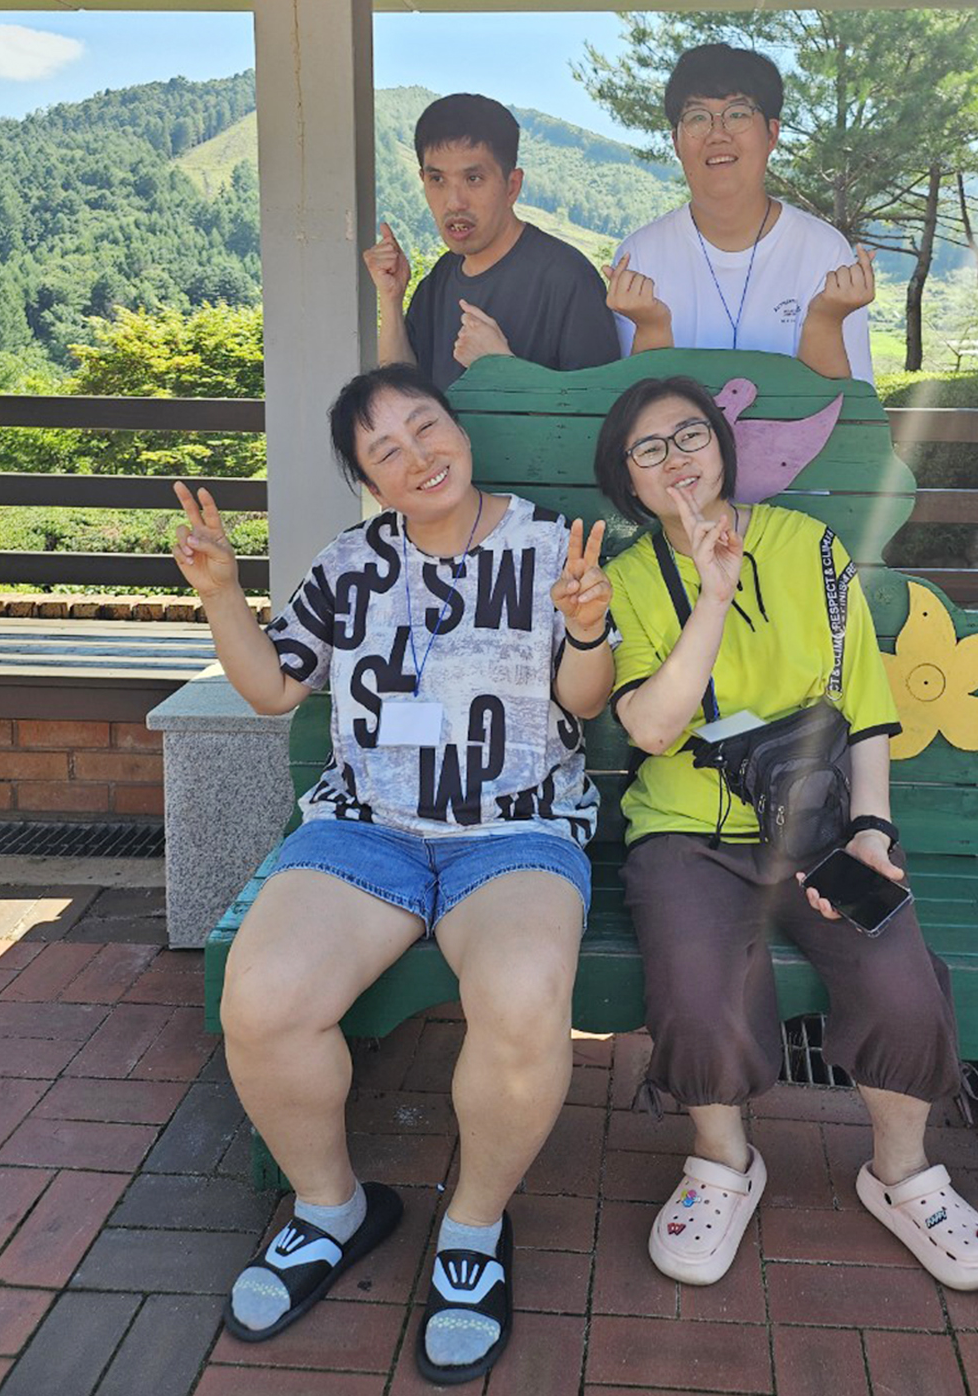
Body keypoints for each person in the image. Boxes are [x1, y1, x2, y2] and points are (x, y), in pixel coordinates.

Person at [171, 363, 615, 1384]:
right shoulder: (349, 562)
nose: (418, 456)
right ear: (369, 481)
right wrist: (222, 594)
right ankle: (331, 1209)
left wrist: (587, 625)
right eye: (386, 451)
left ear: (458, 427)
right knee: (262, 999)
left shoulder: (552, 546)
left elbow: (585, 700)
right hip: (367, 832)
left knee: (523, 994)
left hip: (516, 832)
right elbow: (272, 688)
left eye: (425, 427)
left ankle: (474, 1228)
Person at [591, 375, 978, 1292]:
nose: (676, 458)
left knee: (896, 975)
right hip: (688, 829)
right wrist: (712, 593)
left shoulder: (808, 546)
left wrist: (872, 829)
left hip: (820, 823)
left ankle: (902, 1175)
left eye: (690, 435)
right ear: (627, 479)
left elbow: (864, 702)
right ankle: (722, 1163)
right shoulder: (623, 582)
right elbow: (652, 728)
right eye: (649, 448)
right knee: (696, 986)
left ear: (723, 443)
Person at [604, 44, 876, 380]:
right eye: (697, 118)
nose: (717, 134)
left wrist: (826, 319)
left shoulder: (824, 252)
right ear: (676, 142)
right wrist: (650, 326)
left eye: (737, 115)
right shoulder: (640, 257)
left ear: (771, 134)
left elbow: (849, 402)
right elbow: (635, 405)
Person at [365, 93, 620, 389]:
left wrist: (501, 368)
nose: (454, 202)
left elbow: (598, 411)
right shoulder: (439, 280)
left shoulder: (567, 279)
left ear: (512, 186)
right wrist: (391, 300)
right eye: (437, 180)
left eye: (473, 179)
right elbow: (402, 392)